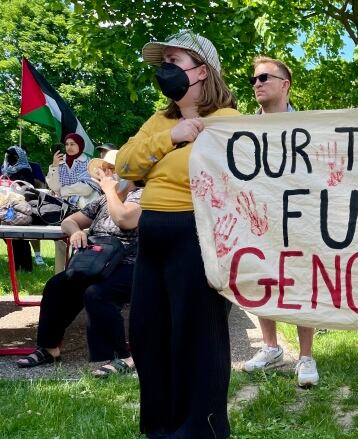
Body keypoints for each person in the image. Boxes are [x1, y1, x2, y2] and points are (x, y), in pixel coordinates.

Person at [116, 29, 239, 439]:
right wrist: (173, 136)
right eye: (163, 62)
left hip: (196, 237)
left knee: (197, 337)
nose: (165, 70)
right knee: (148, 335)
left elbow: (221, 180)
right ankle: (160, 428)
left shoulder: (228, 123)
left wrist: (156, 157)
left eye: (174, 61)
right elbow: (126, 166)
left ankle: (202, 429)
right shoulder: (160, 120)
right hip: (151, 237)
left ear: (202, 71)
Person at [16, 149, 141, 376]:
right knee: (57, 285)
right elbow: (69, 220)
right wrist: (75, 232)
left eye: (112, 169)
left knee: (97, 293)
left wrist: (111, 192)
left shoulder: (142, 196)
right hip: (97, 260)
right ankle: (49, 348)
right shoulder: (103, 199)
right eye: (106, 169)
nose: (107, 173)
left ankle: (121, 356)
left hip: (129, 264)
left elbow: (125, 219)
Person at [241, 56, 319, 387]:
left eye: (264, 78)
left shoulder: (309, 128)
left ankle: (306, 356)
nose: (257, 83)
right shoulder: (241, 129)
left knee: (301, 281)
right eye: (253, 80)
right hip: (258, 219)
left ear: (284, 84)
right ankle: (271, 348)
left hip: (299, 218)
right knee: (261, 279)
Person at [2, 145, 35, 271]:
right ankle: (15, 265)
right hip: (6, 205)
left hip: (21, 207)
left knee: (20, 238)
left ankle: (26, 266)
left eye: (13, 156)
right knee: (9, 237)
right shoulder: (5, 170)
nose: (10, 158)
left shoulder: (25, 170)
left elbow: (30, 189)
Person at [45, 133, 100, 208]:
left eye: (72, 144)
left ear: (80, 145)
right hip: (62, 203)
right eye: (67, 144)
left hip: (85, 204)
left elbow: (87, 188)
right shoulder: (60, 162)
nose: (69, 147)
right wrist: (55, 166)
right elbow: (54, 187)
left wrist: (63, 190)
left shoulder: (88, 162)